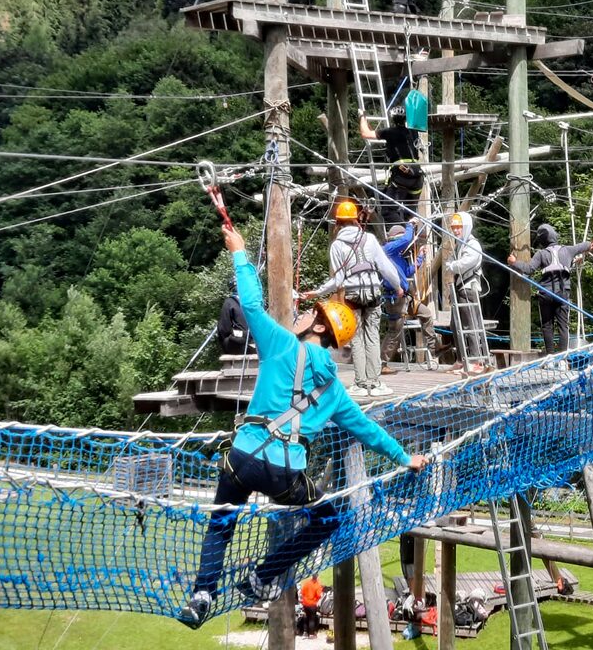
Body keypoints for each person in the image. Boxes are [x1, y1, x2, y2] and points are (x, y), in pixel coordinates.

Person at [178, 224, 428, 630]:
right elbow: (367, 430)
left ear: (316, 326)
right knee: (328, 519)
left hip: (242, 458)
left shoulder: (280, 344)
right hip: (285, 475)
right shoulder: (333, 389)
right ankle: (262, 576)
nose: (303, 315)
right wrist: (405, 457)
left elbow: (252, 306)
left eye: (310, 313)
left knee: (221, 523)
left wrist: (240, 252)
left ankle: (201, 595)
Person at [302, 200, 404, 398]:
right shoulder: (370, 239)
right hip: (373, 291)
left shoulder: (336, 246)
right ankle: (375, 383)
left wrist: (317, 292)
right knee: (372, 336)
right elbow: (385, 267)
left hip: (353, 294)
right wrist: (398, 286)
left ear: (338, 222)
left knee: (356, 338)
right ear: (356, 219)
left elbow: (338, 279)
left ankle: (360, 383)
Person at [508, 223, 591, 354]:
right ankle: (563, 358)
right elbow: (587, 244)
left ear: (542, 241)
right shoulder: (568, 250)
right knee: (563, 326)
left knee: (547, 326)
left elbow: (529, 269)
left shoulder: (541, 254)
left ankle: (550, 356)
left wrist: (514, 262)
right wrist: (581, 252)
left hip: (546, 293)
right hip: (562, 294)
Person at [381, 223, 439, 373]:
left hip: (405, 298)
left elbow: (407, 271)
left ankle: (434, 349)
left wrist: (420, 257)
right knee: (395, 331)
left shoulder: (397, 256)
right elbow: (406, 239)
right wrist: (410, 225)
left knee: (425, 314)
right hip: (394, 298)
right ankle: (381, 363)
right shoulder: (387, 250)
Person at [359, 106, 423, 227]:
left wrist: (362, 116)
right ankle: (410, 234)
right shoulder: (413, 132)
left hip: (402, 174)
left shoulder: (389, 132)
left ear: (392, 119)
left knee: (387, 210)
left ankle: (403, 233)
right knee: (410, 213)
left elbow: (365, 133)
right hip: (417, 175)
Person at [445, 212, 487, 375]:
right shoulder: (459, 244)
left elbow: (465, 263)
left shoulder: (472, 244)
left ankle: (476, 360)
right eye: (454, 227)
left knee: (470, 325)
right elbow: (450, 261)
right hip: (459, 287)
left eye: (458, 227)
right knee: (455, 325)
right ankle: (462, 359)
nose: (456, 231)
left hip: (468, 287)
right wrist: (452, 264)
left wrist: (452, 265)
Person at [217, 278, 255, 355]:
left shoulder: (229, 303)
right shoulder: (254, 302)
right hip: (255, 340)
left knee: (228, 339)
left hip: (239, 344)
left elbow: (223, 329)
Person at [300, 575, 323, 639]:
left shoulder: (306, 583)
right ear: (317, 576)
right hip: (312, 604)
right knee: (312, 619)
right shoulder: (317, 585)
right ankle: (311, 634)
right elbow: (319, 595)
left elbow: (302, 592)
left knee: (306, 617)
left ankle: (305, 632)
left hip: (305, 604)